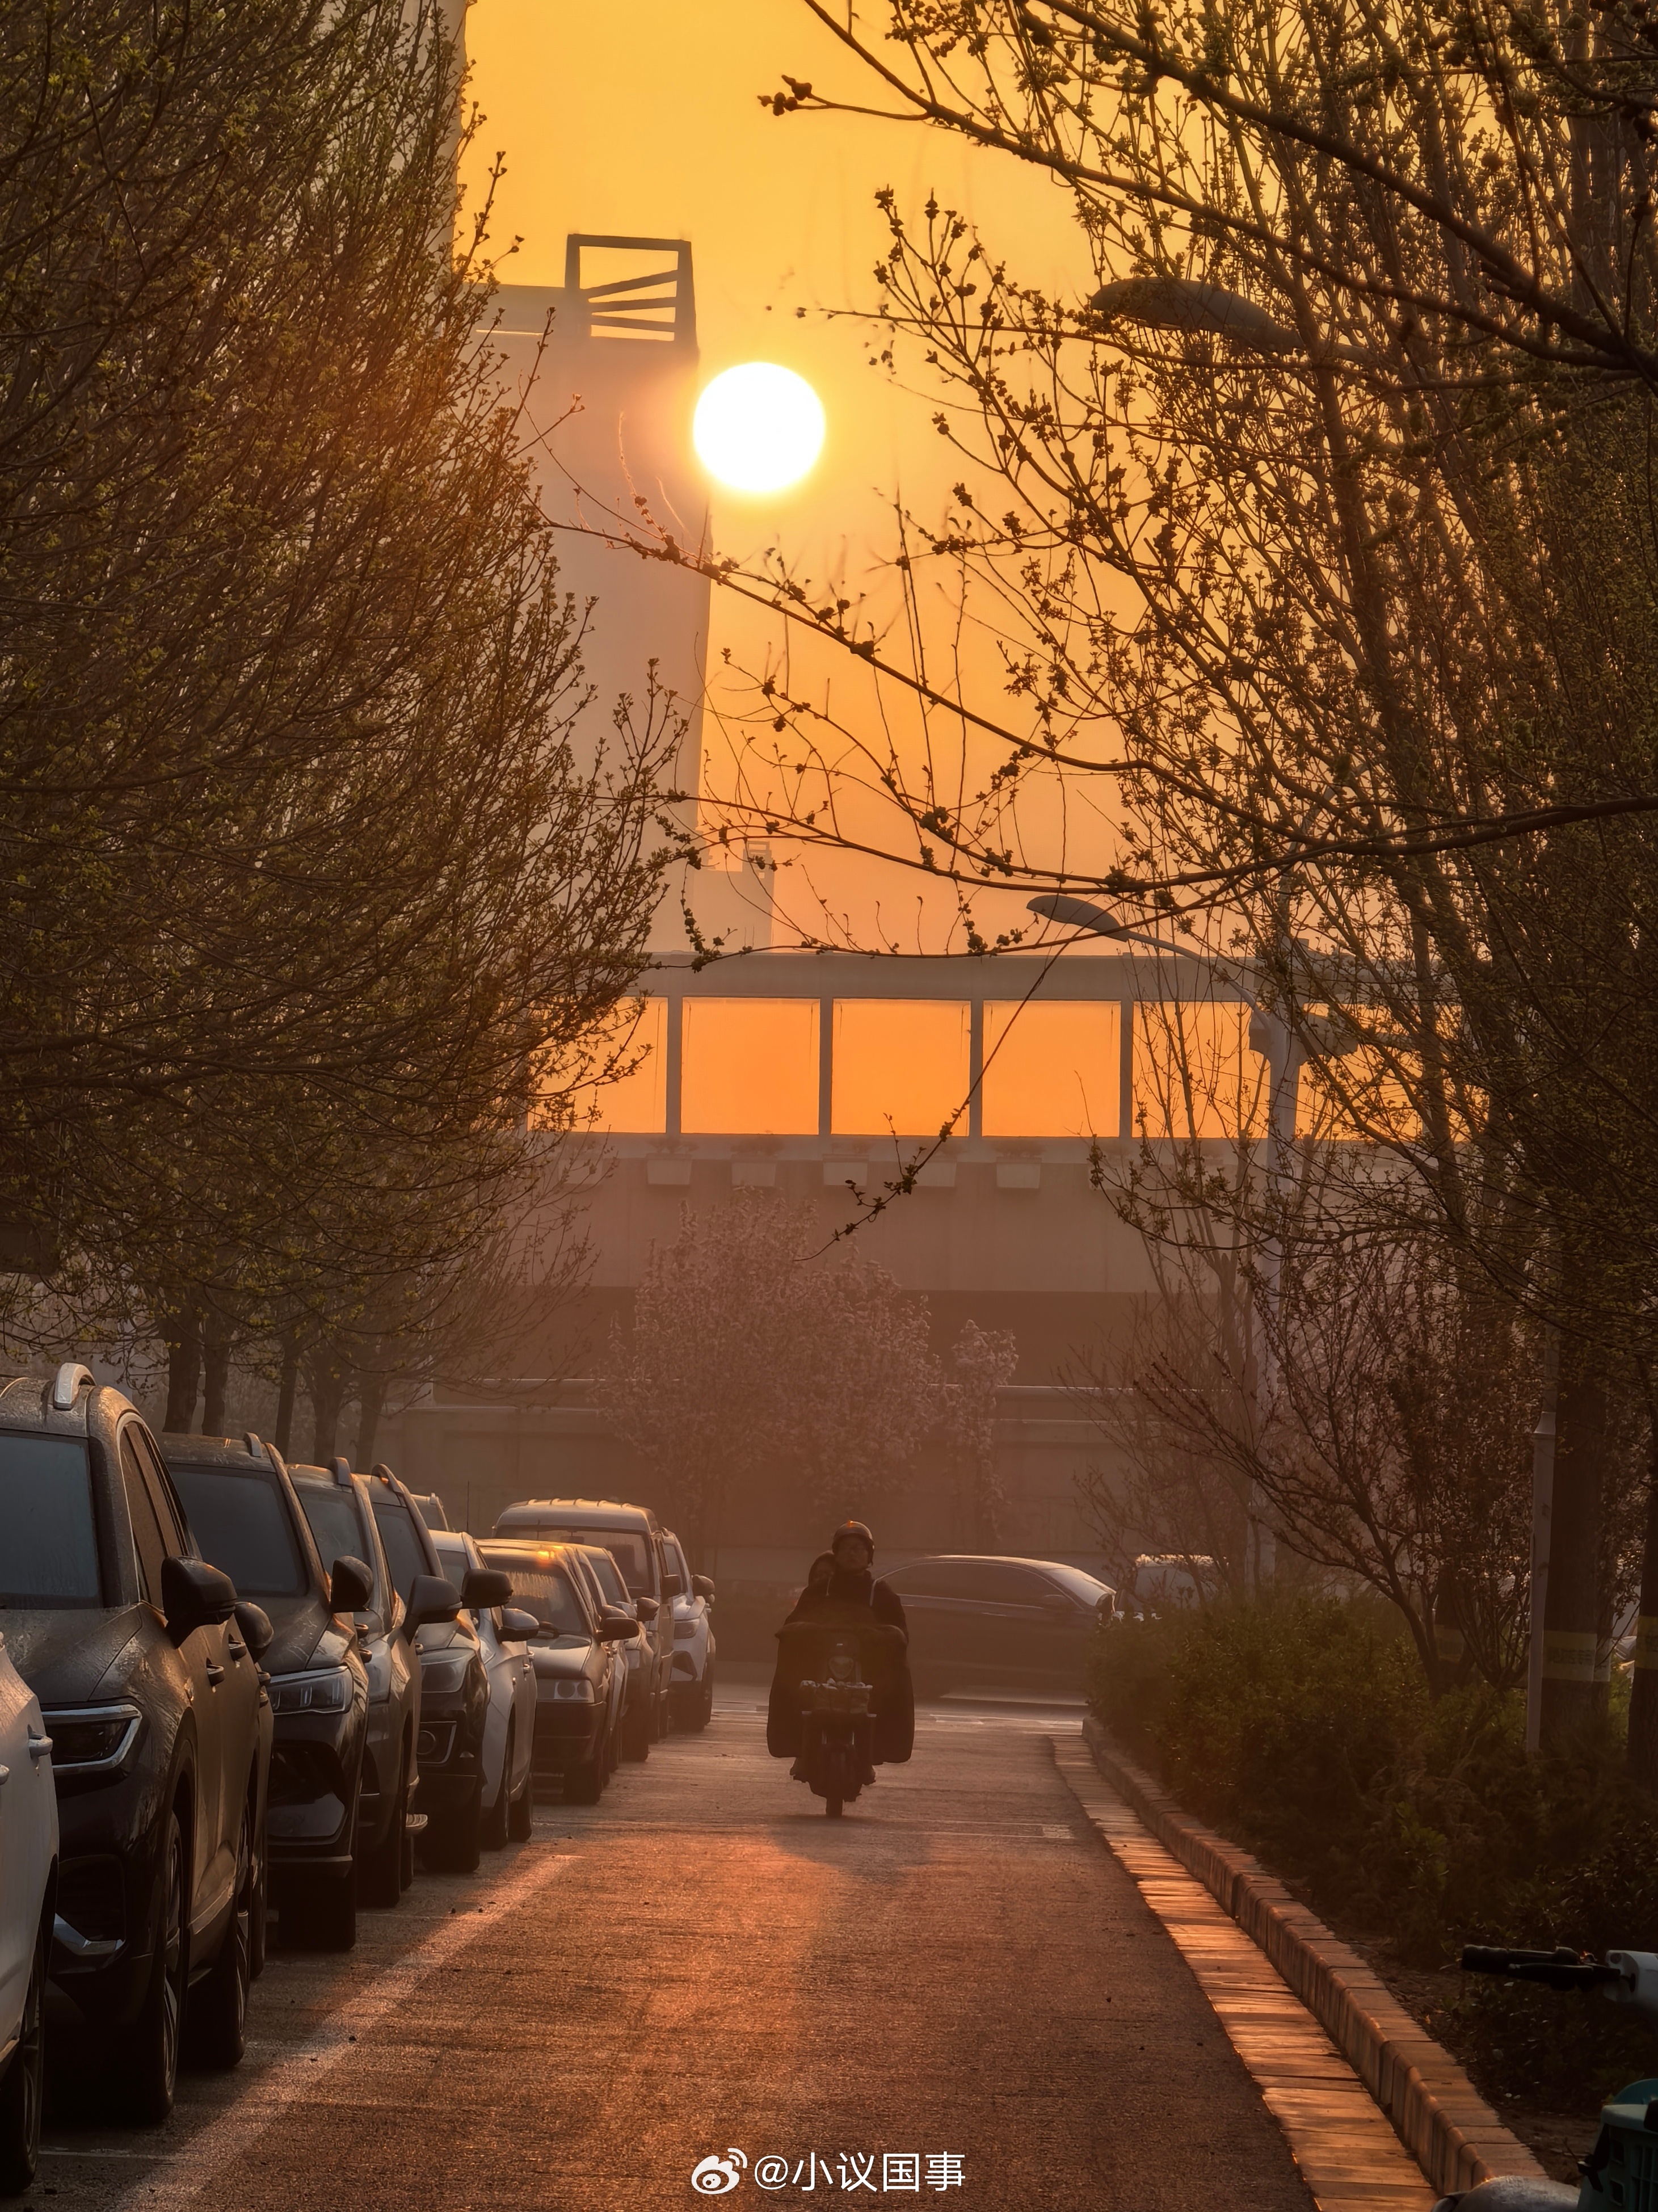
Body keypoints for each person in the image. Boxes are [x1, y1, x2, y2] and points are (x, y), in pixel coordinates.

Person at [765, 1520, 915, 1776]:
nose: (852, 1553)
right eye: (846, 1548)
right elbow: (793, 1623)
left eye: (858, 1548)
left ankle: (876, 1750)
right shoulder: (818, 1590)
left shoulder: (881, 1593)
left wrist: (883, 1636)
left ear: (869, 1556)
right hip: (818, 1668)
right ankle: (799, 1746)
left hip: (869, 1671)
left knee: (897, 1675)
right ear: (836, 1554)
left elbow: (900, 1632)